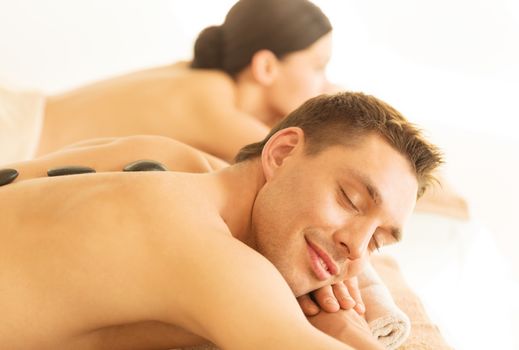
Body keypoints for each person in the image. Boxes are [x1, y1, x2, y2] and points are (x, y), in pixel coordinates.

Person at [1, 92, 442, 349]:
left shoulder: (166, 159)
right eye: (350, 198)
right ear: (283, 153)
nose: (356, 249)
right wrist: (346, 328)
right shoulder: (209, 254)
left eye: (378, 243)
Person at [36, 0, 335, 161]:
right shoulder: (211, 98)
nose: (327, 84)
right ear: (267, 67)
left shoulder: (198, 77)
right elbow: (298, 167)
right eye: (319, 66)